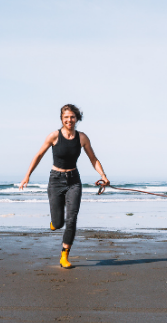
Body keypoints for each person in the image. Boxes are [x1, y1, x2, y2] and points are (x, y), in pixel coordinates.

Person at [18, 104, 109, 268]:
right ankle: (55, 222)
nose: (69, 120)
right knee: (58, 223)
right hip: (56, 180)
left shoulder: (82, 138)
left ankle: (64, 255)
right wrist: (27, 175)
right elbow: (39, 155)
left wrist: (103, 175)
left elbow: (93, 159)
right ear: (62, 118)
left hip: (74, 180)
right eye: (66, 117)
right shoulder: (54, 136)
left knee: (72, 218)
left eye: (72, 117)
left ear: (77, 118)